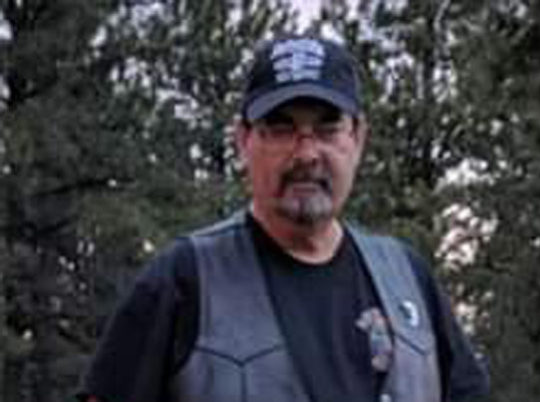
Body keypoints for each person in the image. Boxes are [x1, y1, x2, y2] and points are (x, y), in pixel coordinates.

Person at [78, 35, 489, 402]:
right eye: (280, 128)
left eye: (327, 128)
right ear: (243, 141)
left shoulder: (408, 279)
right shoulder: (183, 281)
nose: (306, 153)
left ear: (358, 137)